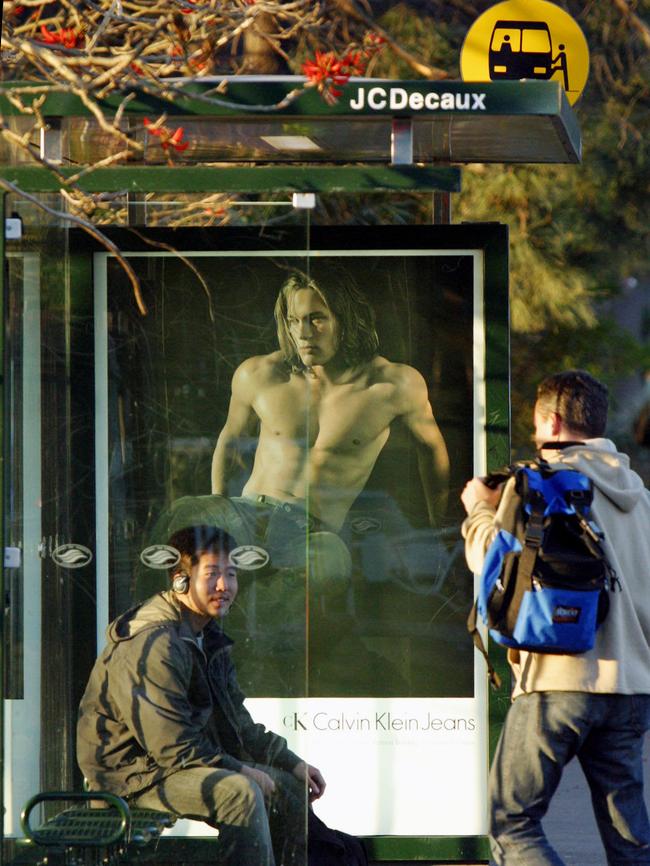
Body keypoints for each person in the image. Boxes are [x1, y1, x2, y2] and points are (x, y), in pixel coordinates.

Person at [460, 369, 650, 866]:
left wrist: (478, 511)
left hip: (558, 680)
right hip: (630, 688)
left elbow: (492, 565)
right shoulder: (641, 498)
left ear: (553, 419)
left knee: (511, 822)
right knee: (630, 839)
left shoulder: (538, 484)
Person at [77, 524, 325, 866]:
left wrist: (290, 761)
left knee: (288, 789)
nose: (225, 586)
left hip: (174, 764)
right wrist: (241, 769)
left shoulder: (206, 636)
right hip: (131, 777)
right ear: (180, 579)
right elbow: (170, 745)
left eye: (232, 574)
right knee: (240, 792)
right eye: (212, 574)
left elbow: (237, 721)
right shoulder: (153, 645)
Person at [210, 267, 449, 566]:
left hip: (314, 537)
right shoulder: (259, 374)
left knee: (325, 568)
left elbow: (431, 449)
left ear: (346, 319)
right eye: (294, 320)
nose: (303, 333)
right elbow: (230, 439)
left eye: (316, 319)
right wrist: (216, 509)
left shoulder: (393, 385)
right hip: (246, 515)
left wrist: (437, 529)